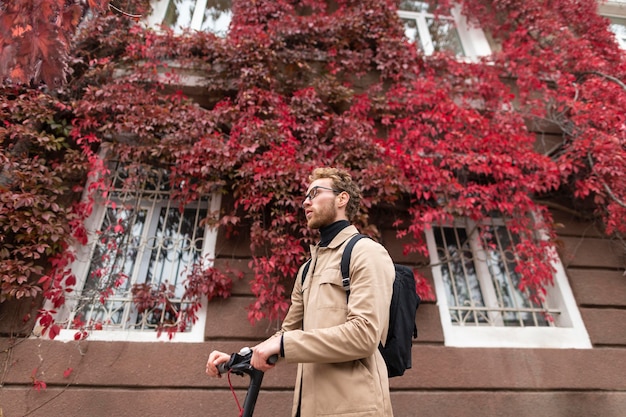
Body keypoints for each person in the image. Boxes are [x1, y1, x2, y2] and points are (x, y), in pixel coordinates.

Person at [206, 167, 395, 417]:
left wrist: (284, 343)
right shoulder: (308, 268)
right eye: (305, 196)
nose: (306, 201)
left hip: (357, 409)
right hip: (307, 409)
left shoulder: (365, 252)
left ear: (342, 199)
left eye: (315, 193)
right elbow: (287, 336)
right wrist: (238, 358)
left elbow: (364, 335)